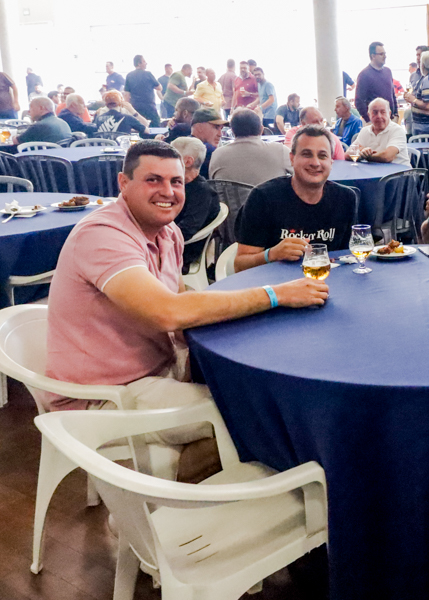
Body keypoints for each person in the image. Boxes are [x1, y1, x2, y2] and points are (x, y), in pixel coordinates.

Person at [43, 140, 328, 446]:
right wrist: (276, 295)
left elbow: (181, 306)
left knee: (264, 392)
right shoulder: (102, 235)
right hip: (105, 396)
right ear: (123, 183)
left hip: (161, 368)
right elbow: (169, 312)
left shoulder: (168, 232)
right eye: (153, 180)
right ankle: (202, 470)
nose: (168, 192)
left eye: (176, 182)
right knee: (261, 414)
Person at [234, 125, 357, 271]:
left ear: (331, 162)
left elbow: (347, 257)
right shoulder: (263, 197)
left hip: (328, 280)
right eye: (307, 154)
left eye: (322, 156)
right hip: (277, 282)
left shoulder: (346, 199)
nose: (315, 163)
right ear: (292, 158)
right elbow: (240, 265)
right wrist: (271, 254)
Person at [170, 136, 221, 271]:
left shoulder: (202, 193)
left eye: (171, 156)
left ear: (187, 161)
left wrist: (153, 239)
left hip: (180, 252)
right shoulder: (177, 185)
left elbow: (186, 230)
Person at [210, 108, 292, 186]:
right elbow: (298, 176)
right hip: (271, 196)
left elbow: (213, 183)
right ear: (261, 129)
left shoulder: (217, 154)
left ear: (232, 131)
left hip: (229, 197)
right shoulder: (280, 151)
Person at [357, 98, 411, 166]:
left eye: (383, 112)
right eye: (375, 112)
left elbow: (387, 157)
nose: (379, 116)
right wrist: (362, 151)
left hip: (399, 172)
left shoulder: (397, 130)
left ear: (389, 113)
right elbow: (348, 153)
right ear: (369, 115)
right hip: (375, 171)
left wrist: (364, 155)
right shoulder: (365, 131)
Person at [355, 41, 399, 122]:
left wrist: (396, 114)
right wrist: (369, 120)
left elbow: (392, 95)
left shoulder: (388, 71)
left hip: (390, 120)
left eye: (385, 54)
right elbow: (359, 101)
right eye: (381, 54)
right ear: (373, 56)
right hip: (376, 121)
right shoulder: (364, 75)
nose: (385, 56)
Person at [124, 55, 162, 127]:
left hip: (135, 107)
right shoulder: (148, 74)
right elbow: (159, 87)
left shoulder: (129, 75)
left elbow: (127, 95)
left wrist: (127, 108)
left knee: (137, 126)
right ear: (139, 63)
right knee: (155, 125)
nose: (146, 63)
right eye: (144, 61)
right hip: (149, 106)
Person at [190, 108, 226, 179]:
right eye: (216, 128)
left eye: (221, 129)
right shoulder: (208, 149)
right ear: (199, 127)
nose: (220, 134)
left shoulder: (182, 145)